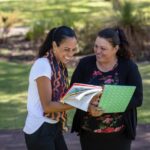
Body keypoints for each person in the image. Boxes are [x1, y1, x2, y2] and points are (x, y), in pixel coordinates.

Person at [70, 27, 143, 150]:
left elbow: (138, 98)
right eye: (96, 46)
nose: (98, 51)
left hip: (119, 136)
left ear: (115, 49)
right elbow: (72, 94)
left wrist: (109, 104)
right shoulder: (85, 64)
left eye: (103, 48)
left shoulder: (129, 67)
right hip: (89, 134)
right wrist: (88, 106)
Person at [23, 26, 79, 150]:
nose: (70, 54)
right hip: (39, 128)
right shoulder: (43, 65)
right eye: (66, 49)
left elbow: (63, 98)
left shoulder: (59, 67)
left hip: (54, 125)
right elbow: (47, 106)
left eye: (73, 50)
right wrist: (78, 103)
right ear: (54, 45)